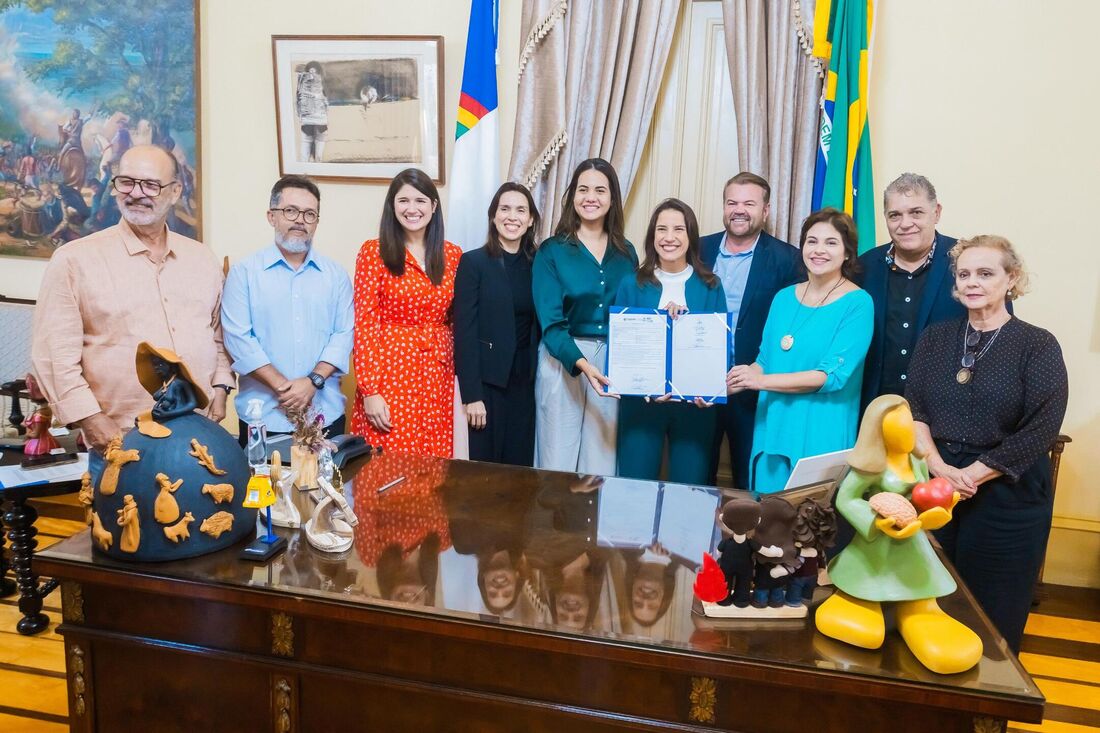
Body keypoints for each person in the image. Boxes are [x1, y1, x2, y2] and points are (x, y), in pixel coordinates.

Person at [907, 235, 1068, 652]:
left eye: (985, 273)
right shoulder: (935, 339)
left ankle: (985, 709)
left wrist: (973, 474)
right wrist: (941, 469)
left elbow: (1042, 426)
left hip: (1006, 493)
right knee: (928, 603)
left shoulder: (1038, 344)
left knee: (992, 614)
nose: (972, 282)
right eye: (964, 274)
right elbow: (916, 410)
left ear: (1011, 278)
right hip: (936, 488)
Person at [31, 144, 233, 470]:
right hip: (120, 443)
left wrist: (222, 388)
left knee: (201, 523)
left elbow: (218, 336)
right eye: (126, 182)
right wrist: (90, 420)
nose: (137, 194)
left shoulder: (202, 259)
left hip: (197, 441)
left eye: (150, 185)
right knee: (120, 523)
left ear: (175, 190)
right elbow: (54, 355)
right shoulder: (73, 260)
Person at [727, 208, 873, 493]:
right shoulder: (783, 298)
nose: (819, 250)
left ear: (847, 253)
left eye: (831, 243)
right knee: (767, 524)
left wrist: (759, 381)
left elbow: (831, 377)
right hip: (773, 426)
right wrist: (725, 385)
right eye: (812, 241)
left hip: (821, 431)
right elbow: (763, 362)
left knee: (808, 528)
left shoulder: (858, 303)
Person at [221, 174, 353, 445]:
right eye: (291, 211)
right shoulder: (244, 273)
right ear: (272, 216)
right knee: (264, 487)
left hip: (324, 416)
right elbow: (238, 338)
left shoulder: (336, 276)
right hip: (263, 417)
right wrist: (286, 389)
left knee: (327, 487)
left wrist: (311, 382)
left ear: (317, 222)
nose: (300, 221)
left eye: (309, 214)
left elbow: (343, 335)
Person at [532, 158, 637, 474]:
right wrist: (583, 365)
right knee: (557, 460)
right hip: (563, 358)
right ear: (572, 197)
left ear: (612, 198)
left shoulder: (627, 252)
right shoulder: (552, 250)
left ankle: (594, 525)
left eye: (600, 190)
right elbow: (550, 323)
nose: (591, 197)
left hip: (611, 363)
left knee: (600, 462)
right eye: (583, 189)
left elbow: (636, 313)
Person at [614, 198, 726, 484]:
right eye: (661, 229)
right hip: (641, 405)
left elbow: (721, 347)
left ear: (691, 236)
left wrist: (711, 392)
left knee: (690, 488)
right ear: (652, 237)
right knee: (633, 485)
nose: (669, 237)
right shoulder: (632, 283)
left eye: (678, 229)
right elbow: (622, 350)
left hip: (695, 408)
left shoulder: (711, 284)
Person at [700, 172, 800, 489]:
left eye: (748, 203)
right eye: (732, 202)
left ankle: (747, 540)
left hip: (753, 387)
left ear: (765, 211)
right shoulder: (699, 248)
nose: (739, 210)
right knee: (698, 472)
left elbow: (791, 328)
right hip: (699, 382)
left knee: (749, 477)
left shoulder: (788, 259)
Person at [352, 168, 461, 457]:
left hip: (438, 377)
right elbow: (365, 323)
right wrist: (370, 391)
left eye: (421, 201)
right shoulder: (373, 253)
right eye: (403, 201)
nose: (412, 209)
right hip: (391, 375)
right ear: (392, 206)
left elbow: (458, 319)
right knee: (391, 463)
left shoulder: (453, 255)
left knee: (435, 464)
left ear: (434, 206)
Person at [859, 173, 969, 410]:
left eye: (916, 212)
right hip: (874, 411)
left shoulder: (968, 262)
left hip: (946, 414)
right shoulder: (863, 267)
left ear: (936, 212)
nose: (905, 223)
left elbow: (996, 334)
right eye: (895, 215)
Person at [454, 182, 541, 466]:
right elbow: (464, 332)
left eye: (520, 210)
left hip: (525, 386)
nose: (511, 216)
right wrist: (472, 395)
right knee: (484, 477)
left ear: (530, 220)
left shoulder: (539, 264)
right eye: (504, 209)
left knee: (519, 475)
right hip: (487, 388)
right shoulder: (473, 263)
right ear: (493, 216)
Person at [296, 61, 328, 163]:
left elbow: (326, 102)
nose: (312, 75)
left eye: (314, 72)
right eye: (310, 72)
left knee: (318, 156)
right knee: (305, 156)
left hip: (320, 123)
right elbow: (298, 100)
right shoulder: (302, 84)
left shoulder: (323, 85)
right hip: (308, 122)